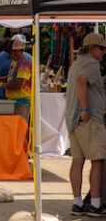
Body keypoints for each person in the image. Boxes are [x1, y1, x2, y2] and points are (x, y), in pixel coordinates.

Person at [66, 32, 106, 216]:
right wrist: (86, 110)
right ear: (92, 48)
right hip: (88, 120)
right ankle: (96, 205)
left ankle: (77, 203)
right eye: (102, 48)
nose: (104, 53)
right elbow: (82, 82)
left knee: (78, 161)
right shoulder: (91, 63)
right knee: (98, 161)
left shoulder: (76, 63)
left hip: (74, 121)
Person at [0, 38, 32, 124]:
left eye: (10, 53)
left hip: (22, 102)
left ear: (17, 51)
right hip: (15, 101)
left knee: (20, 129)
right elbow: (11, 77)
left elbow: (17, 85)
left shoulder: (24, 64)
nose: (8, 55)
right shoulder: (16, 62)